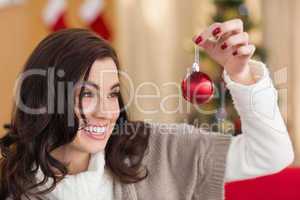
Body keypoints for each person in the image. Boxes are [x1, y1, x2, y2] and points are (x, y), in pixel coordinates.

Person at [0, 19, 294, 200]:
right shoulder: (11, 186)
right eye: (86, 93)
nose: (106, 111)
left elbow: (271, 153)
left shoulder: (157, 150)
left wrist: (240, 75)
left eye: (113, 93)